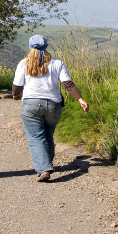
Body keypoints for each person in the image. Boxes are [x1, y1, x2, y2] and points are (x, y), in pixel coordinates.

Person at [12, 35, 89, 182]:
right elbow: (68, 84)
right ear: (46, 47)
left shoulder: (23, 64)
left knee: (36, 137)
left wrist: (16, 96)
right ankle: (47, 163)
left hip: (31, 105)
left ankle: (43, 169)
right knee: (48, 134)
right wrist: (80, 99)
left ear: (30, 47)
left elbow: (16, 86)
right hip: (53, 105)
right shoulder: (57, 63)